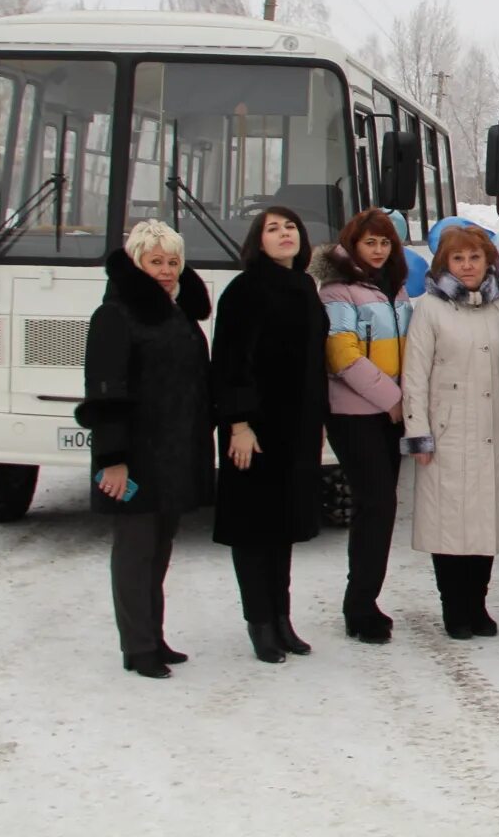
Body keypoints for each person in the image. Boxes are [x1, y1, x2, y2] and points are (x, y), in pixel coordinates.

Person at [78, 220, 214, 679]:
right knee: (136, 552)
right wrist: (111, 460)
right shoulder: (115, 315)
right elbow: (105, 392)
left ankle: (153, 637)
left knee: (159, 549)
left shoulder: (176, 313)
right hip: (134, 455)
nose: (166, 270)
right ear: (136, 262)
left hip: (173, 452)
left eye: (173, 262)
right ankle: (137, 648)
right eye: (156, 261)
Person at [211, 206, 329, 664]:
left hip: (295, 428)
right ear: (257, 242)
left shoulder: (304, 287)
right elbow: (230, 361)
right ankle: (259, 622)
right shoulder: (245, 290)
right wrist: (238, 424)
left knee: (282, 529)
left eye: (290, 228)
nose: (284, 235)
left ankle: (281, 619)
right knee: (253, 530)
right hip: (255, 430)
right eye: (272, 229)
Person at [403, 223, 499, 640]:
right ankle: (454, 607)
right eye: (458, 259)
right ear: (445, 264)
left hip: (496, 427)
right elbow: (415, 376)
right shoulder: (430, 309)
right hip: (448, 431)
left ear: (489, 261)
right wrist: (418, 432)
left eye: (475, 258)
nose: (467, 266)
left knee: (485, 525)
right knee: (449, 525)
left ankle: (478, 604)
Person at [315, 209, 413, 645]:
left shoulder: (394, 291)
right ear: (353, 244)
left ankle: (366, 598)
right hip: (355, 413)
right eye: (370, 242)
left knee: (379, 507)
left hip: (390, 414)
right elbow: (342, 355)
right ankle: (359, 606)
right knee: (376, 505)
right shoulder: (337, 292)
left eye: (385, 243)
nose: (377, 250)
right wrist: (393, 400)